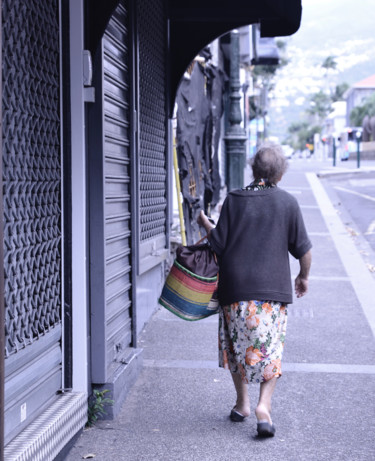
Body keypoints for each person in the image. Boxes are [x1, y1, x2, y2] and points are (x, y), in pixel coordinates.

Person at [197, 143, 312, 437]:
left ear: (253, 169)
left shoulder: (234, 200)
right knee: (269, 351)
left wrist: (204, 223)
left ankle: (242, 404)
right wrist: (303, 277)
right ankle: (264, 406)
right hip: (272, 293)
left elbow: (218, 245)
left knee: (238, 348)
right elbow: (303, 250)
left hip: (235, 289)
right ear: (280, 174)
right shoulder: (287, 202)